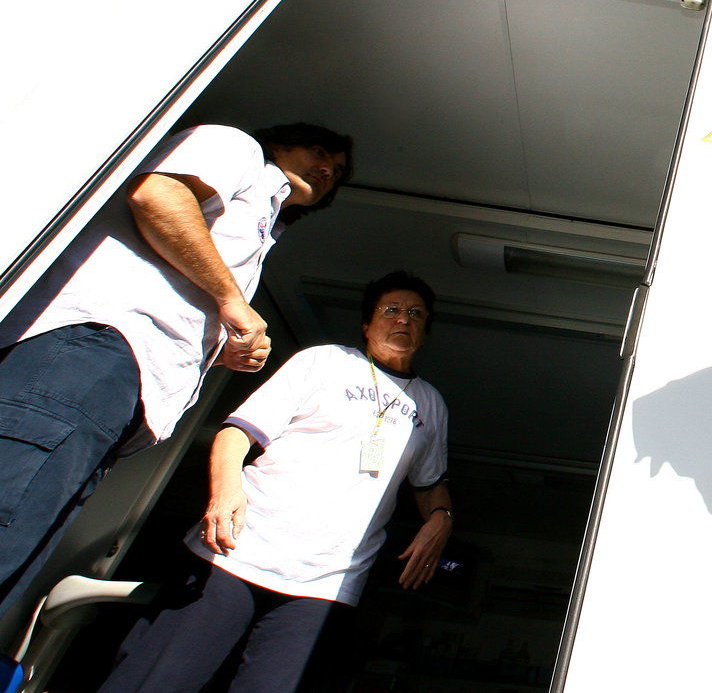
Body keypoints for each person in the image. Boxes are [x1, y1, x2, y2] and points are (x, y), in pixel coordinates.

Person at [0, 122, 352, 622]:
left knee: (21, 542)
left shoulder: (264, 223)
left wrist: (220, 348)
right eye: (319, 152)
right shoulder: (239, 150)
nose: (326, 170)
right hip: (92, 353)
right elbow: (158, 195)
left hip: (118, 386)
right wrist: (232, 301)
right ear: (279, 144)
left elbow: (184, 297)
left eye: (337, 171)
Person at [97, 270, 452, 693]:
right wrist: (224, 493)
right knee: (159, 680)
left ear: (425, 332)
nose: (403, 320)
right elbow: (236, 433)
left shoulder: (431, 404)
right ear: (366, 323)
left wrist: (441, 518)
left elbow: (429, 484)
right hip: (237, 551)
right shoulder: (324, 362)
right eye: (391, 309)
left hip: (328, 583)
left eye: (416, 314)